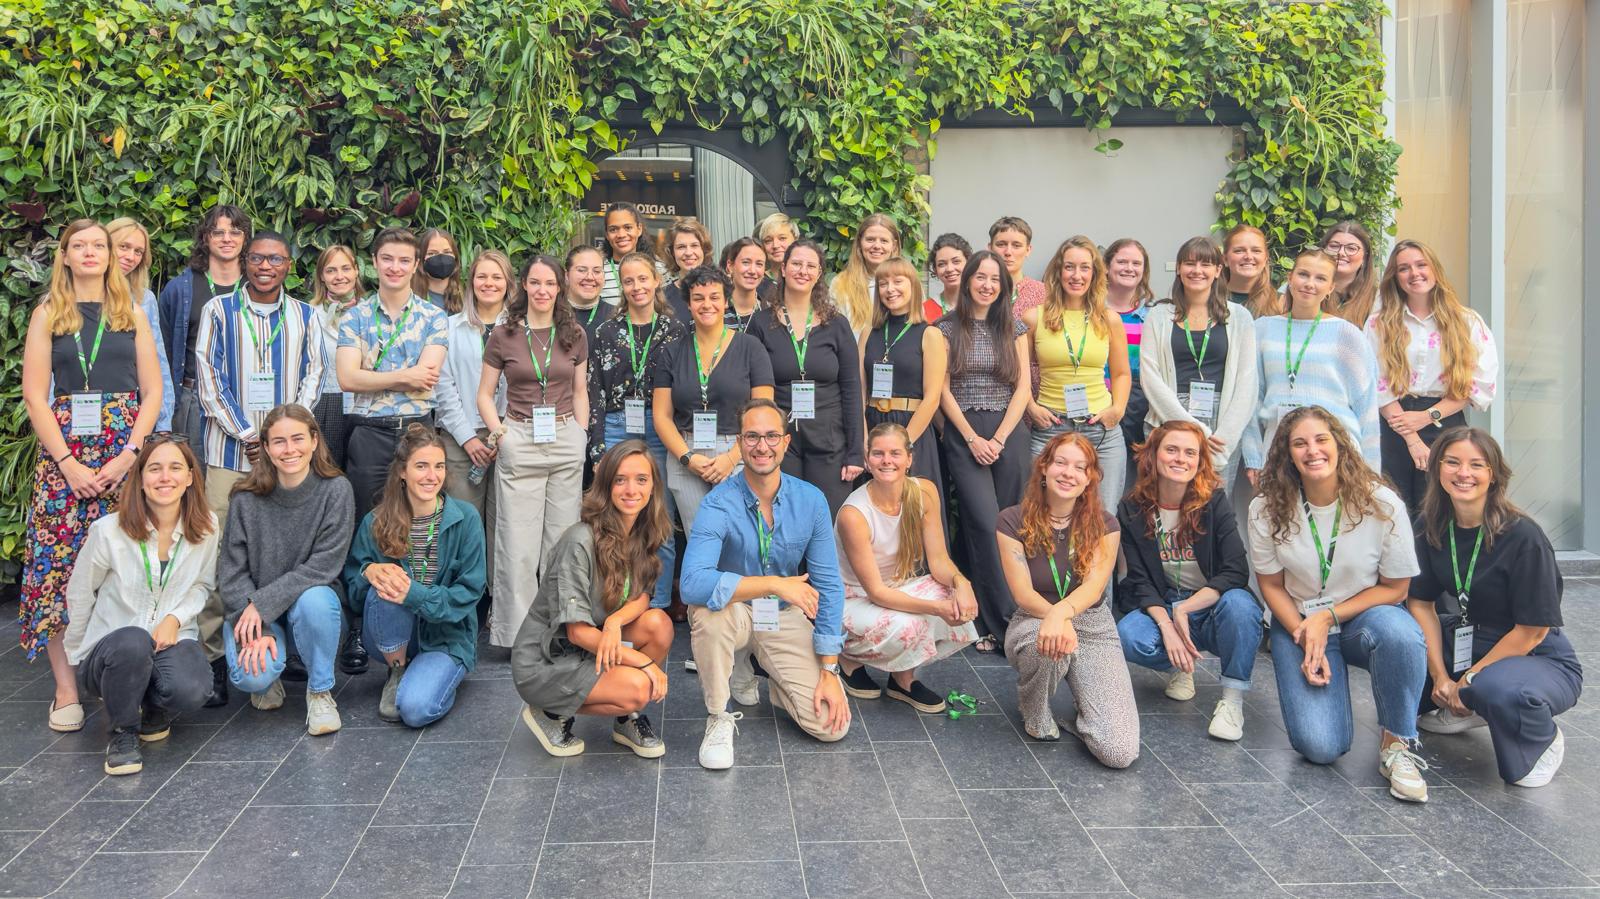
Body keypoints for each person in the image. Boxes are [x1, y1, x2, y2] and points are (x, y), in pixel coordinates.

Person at [22, 219, 163, 732]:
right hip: (65, 458)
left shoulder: (131, 313)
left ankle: (126, 680)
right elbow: (35, 396)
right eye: (78, 245)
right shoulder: (48, 314)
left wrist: (130, 455)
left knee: (130, 565)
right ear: (64, 256)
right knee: (57, 569)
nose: (89, 253)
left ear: (108, 255)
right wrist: (67, 463)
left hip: (122, 454)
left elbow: (152, 392)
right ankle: (66, 688)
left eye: (97, 246)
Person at [1248, 406, 1430, 802]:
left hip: (1364, 617)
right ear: (1287, 454)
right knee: (1320, 746)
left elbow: (1396, 589)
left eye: (1321, 439)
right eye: (1299, 443)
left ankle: (1397, 745)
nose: (1312, 450)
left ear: (1340, 445)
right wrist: (1305, 631)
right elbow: (1271, 585)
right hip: (1296, 620)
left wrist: (1327, 617)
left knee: (1401, 634)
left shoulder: (1381, 503)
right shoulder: (1266, 507)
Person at [681, 399, 852, 768]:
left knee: (830, 726)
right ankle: (719, 716)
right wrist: (773, 584)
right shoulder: (717, 503)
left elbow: (829, 585)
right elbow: (692, 583)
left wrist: (829, 670)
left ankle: (772, 677)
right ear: (739, 443)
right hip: (735, 613)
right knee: (709, 616)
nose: (762, 446)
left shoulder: (811, 501)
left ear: (786, 442)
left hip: (781, 616)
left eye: (772, 436)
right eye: (752, 437)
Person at [1407, 428, 1581, 787]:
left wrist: (1467, 681)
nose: (1463, 473)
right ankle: (1472, 706)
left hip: (1535, 653)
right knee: (1400, 652)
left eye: (1476, 465)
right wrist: (1440, 677)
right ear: (1437, 469)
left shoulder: (1524, 536)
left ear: (1494, 474)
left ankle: (1540, 737)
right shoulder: (1431, 525)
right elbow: (1420, 603)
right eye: (1452, 462)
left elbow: (1532, 631)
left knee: (1495, 690)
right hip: (1468, 636)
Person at [62, 435, 218, 775]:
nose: (165, 477)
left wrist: (175, 618)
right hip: (113, 650)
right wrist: (78, 655)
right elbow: (80, 593)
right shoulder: (108, 531)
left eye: (175, 468)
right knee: (133, 640)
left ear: (190, 477)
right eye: (155, 469)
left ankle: (152, 707)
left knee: (193, 689)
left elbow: (203, 585)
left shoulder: (207, 526)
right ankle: (123, 734)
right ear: (141, 478)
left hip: (169, 640)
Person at [512, 441, 673, 757]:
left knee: (659, 625)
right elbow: (577, 633)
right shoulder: (580, 540)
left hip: (593, 644)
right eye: (620, 480)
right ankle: (549, 710)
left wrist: (614, 622)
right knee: (640, 686)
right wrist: (643, 663)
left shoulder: (640, 530)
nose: (631, 489)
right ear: (606, 485)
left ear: (653, 486)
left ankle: (625, 720)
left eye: (641, 479)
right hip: (548, 659)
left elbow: (643, 596)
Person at [336, 226, 448, 674]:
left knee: (420, 525)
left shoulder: (433, 316)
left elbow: (429, 378)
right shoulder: (355, 316)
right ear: (375, 263)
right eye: (387, 259)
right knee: (365, 527)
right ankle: (359, 627)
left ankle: (416, 623)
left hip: (417, 434)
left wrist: (375, 375)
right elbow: (347, 378)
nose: (395, 267)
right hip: (369, 433)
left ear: (416, 264)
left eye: (404, 260)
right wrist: (404, 375)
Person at [997, 432, 1138, 767]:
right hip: (1034, 618)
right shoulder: (1012, 520)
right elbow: (1023, 593)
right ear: (1044, 468)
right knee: (1047, 643)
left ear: (1090, 478)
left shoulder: (1106, 524)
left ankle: (1087, 713)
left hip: (1092, 622)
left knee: (1119, 753)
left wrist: (1063, 615)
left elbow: (1094, 587)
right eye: (1060, 462)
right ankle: (1034, 709)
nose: (1068, 473)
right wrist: (1056, 618)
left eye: (1079, 467)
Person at [1114, 422, 1258, 741]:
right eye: (1172, 450)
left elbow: (1236, 570)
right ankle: (1182, 665)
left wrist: (1185, 609)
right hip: (1165, 601)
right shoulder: (1132, 508)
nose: (1181, 459)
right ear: (1153, 455)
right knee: (1128, 636)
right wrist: (1168, 625)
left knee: (1241, 607)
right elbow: (1140, 580)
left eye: (1190, 453)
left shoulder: (1213, 502)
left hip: (1213, 605)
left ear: (1199, 461)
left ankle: (1232, 701)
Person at [216, 405, 354, 735]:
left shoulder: (336, 490)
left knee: (315, 600)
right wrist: (258, 622)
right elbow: (231, 574)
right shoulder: (245, 498)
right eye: (279, 441)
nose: (289, 449)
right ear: (265, 447)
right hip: (256, 614)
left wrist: (262, 604)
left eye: (297, 439)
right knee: (253, 676)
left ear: (314, 441)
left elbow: (323, 566)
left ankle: (319, 692)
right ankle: (268, 679)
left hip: (311, 611)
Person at [478, 254, 589, 647]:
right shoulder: (503, 334)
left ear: (560, 288)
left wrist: (581, 434)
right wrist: (500, 434)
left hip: (564, 437)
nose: (543, 290)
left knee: (561, 543)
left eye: (550, 283)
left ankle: (559, 631)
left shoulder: (574, 333)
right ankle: (516, 636)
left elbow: (579, 390)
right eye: (536, 282)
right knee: (517, 544)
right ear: (523, 285)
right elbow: (485, 394)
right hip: (520, 439)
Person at [346, 424, 486, 727]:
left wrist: (414, 594)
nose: (431, 476)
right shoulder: (376, 521)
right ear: (402, 471)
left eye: (439, 466)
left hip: (446, 637)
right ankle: (397, 671)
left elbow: (469, 593)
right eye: (421, 466)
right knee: (387, 581)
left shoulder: (466, 519)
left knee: (415, 710)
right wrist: (368, 571)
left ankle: (436, 675)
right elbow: (354, 596)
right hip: (391, 638)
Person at [835, 423, 978, 712]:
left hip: (895, 585)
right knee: (912, 624)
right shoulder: (854, 513)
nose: (886, 461)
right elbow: (876, 592)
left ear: (909, 458)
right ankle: (847, 656)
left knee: (954, 598)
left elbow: (939, 561)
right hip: (853, 598)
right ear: (868, 460)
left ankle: (902, 679)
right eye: (878, 454)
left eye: (895, 453)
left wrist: (963, 584)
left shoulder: (924, 492)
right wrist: (935, 609)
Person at [938, 250, 1031, 651]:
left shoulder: (1015, 327)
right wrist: (972, 438)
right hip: (965, 433)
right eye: (980, 277)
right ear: (967, 281)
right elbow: (941, 389)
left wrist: (999, 438)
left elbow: (1023, 387)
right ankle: (1001, 622)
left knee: (1010, 524)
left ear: (1004, 286)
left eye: (995, 279)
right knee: (982, 521)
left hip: (1009, 433)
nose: (987, 285)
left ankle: (1009, 612)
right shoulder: (945, 328)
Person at [587, 251, 688, 611]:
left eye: (643, 278)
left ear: (657, 281)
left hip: (661, 429)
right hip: (617, 427)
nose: (636, 287)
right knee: (615, 519)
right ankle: (616, 603)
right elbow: (594, 392)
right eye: (628, 281)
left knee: (660, 519)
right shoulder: (605, 331)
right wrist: (598, 449)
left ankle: (655, 606)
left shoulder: (675, 330)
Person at [1365, 240, 1499, 512]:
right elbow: (1374, 382)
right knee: (1392, 508)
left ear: (1435, 269)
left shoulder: (1467, 322)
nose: (1414, 273)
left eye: (1421, 265)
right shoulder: (1379, 323)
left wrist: (1427, 416)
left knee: (1441, 510)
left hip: (1445, 422)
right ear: (1395, 277)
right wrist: (1413, 438)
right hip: (1392, 423)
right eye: (1404, 268)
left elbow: (1477, 384)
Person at [654, 265, 776, 535]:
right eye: (698, 298)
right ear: (688, 303)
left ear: (726, 301)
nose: (706, 304)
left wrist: (732, 458)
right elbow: (661, 416)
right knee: (700, 540)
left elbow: (764, 412)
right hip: (686, 454)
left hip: (739, 453)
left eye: (714, 297)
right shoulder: (672, 351)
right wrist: (688, 458)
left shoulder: (751, 348)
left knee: (740, 538)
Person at [1242, 249, 1380, 485]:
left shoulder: (1348, 335)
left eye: (1320, 278)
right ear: (1290, 278)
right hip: (1278, 450)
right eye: (1303, 274)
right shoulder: (1262, 329)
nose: (1309, 284)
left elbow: (1366, 406)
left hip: (1335, 452)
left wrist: (1370, 470)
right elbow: (1251, 398)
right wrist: (1253, 456)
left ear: (1331, 287)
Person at [749, 239, 864, 515]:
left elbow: (851, 388)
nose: (803, 271)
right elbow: (751, 387)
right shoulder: (761, 323)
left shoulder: (837, 324)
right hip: (780, 440)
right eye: (797, 264)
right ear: (783, 269)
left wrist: (855, 451)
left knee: (827, 519)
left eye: (811, 266)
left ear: (819, 273)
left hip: (829, 439)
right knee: (785, 517)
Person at [1138, 236, 1258, 488]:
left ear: (1218, 270)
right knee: (1166, 499)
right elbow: (1150, 376)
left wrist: (1224, 439)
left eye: (1206, 264)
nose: (1197, 270)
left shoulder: (1240, 317)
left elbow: (1248, 383)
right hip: (1168, 417)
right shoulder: (1158, 316)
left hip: (1222, 424)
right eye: (1190, 263)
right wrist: (1193, 429)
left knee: (1213, 504)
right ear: (1178, 269)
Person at [1023, 235, 1131, 509]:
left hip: (1101, 430)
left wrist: (1117, 409)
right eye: (1069, 267)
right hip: (1051, 428)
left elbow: (1121, 373)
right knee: (1041, 513)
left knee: (1103, 515)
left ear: (1094, 274)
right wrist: (1031, 407)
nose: (1076, 275)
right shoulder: (1034, 318)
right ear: (1058, 271)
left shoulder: (1109, 319)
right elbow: (1018, 374)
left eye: (1085, 268)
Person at [436, 250, 511, 580]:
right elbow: (443, 388)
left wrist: (503, 433)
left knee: (505, 525)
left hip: (509, 438)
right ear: (471, 282)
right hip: (460, 441)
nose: (489, 283)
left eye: (497, 277)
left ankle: (497, 596)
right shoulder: (449, 328)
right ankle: (464, 596)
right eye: (482, 276)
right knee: (463, 524)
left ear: (508, 283)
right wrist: (468, 438)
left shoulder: (522, 327)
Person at [158, 204, 249, 455]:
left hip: (245, 393)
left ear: (245, 239)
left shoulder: (257, 288)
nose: (227, 239)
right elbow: (163, 354)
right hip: (194, 397)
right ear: (206, 238)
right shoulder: (179, 290)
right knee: (193, 473)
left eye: (235, 232)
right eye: (218, 232)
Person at [860, 256, 946, 484]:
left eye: (898, 281)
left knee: (914, 500)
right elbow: (859, 391)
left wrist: (902, 444)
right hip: (873, 425)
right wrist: (864, 438)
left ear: (913, 286)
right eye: (883, 283)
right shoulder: (868, 332)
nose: (890, 289)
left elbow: (932, 398)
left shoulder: (929, 334)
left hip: (912, 428)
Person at [107, 217, 175, 432]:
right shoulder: (68, 298)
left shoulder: (144, 299)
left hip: (128, 414)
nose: (131, 257)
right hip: (72, 412)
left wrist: (163, 424)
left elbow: (159, 363)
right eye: (124, 247)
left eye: (138, 252)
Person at [309, 244, 365, 468]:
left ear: (356, 271)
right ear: (322, 276)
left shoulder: (372, 312)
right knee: (326, 471)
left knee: (362, 472)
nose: (339, 276)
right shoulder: (309, 315)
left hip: (363, 403)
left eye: (346, 268)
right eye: (331, 270)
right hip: (324, 402)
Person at [1103, 238, 1154, 473]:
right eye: (1122, 262)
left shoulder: (1153, 317)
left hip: (1137, 411)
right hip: (1096, 403)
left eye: (1136, 263)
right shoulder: (1090, 312)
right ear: (1106, 266)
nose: (1129, 268)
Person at [830, 213, 901, 333]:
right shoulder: (840, 284)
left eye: (884, 241)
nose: (877, 246)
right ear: (859, 243)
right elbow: (834, 333)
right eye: (870, 240)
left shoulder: (908, 283)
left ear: (893, 246)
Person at [1322, 221, 1378, 326]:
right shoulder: (1307, 289)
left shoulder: (1377, 299)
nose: (1341, 252)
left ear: (1365, 258)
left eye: (1351, 248)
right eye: (1334, 246)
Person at [988, 216, 1046, 318]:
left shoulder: (1042, 293)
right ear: (990, 248)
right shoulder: (978, 289)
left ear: (1028, 250)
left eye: (1016, 245)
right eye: (1001, 244)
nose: (1008, 252)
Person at [599, 202, 652, 305]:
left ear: (639, 229)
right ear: (607, 234)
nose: (621, 235)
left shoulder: (658, 268)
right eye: (613, 229)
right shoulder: (597, 272)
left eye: (628, 227)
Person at [1224, 225, 1281, 318]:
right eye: (1239, 251)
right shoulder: (1209, 300)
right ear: (1225, 259)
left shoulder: (1281, 303)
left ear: (1266, 258)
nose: (1248, 256)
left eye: (1256, 251)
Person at [716, 237, 772, 330]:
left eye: (759, 264)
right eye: (746, 262)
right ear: (730, 266)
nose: (752, 271)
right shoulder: (714, 310)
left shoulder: (773, 312)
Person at [565, 244, 615, 345]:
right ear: (566, 275)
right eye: (582, 270)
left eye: (597, 271)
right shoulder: (551, 313)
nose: (590, 277)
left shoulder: (616, 317)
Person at [660, 218, 712, 313]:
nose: (688, 253)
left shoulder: (719, 291)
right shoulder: (662, 297)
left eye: (694, 245)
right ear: (672, 252)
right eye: (681, 247)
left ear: (704, 250)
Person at [415, 228, 464, 314]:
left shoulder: (466, 298)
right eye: (432, 253)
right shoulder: (411, 299)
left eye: (447, 252)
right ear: (421, 259)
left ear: (455, 257)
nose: (441, 258)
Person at [928, 232, 971, 321]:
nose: (949, 269)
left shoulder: (981, 306)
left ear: (968, 263)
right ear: (935, 270)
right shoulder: (925, 310)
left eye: (956, 261)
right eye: (942, 264)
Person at [757, 212, 796, 282]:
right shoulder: (757, 282)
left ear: (795, 240)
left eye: (782, 238)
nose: (775, 245)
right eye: (768, 241)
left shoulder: (806, 279)